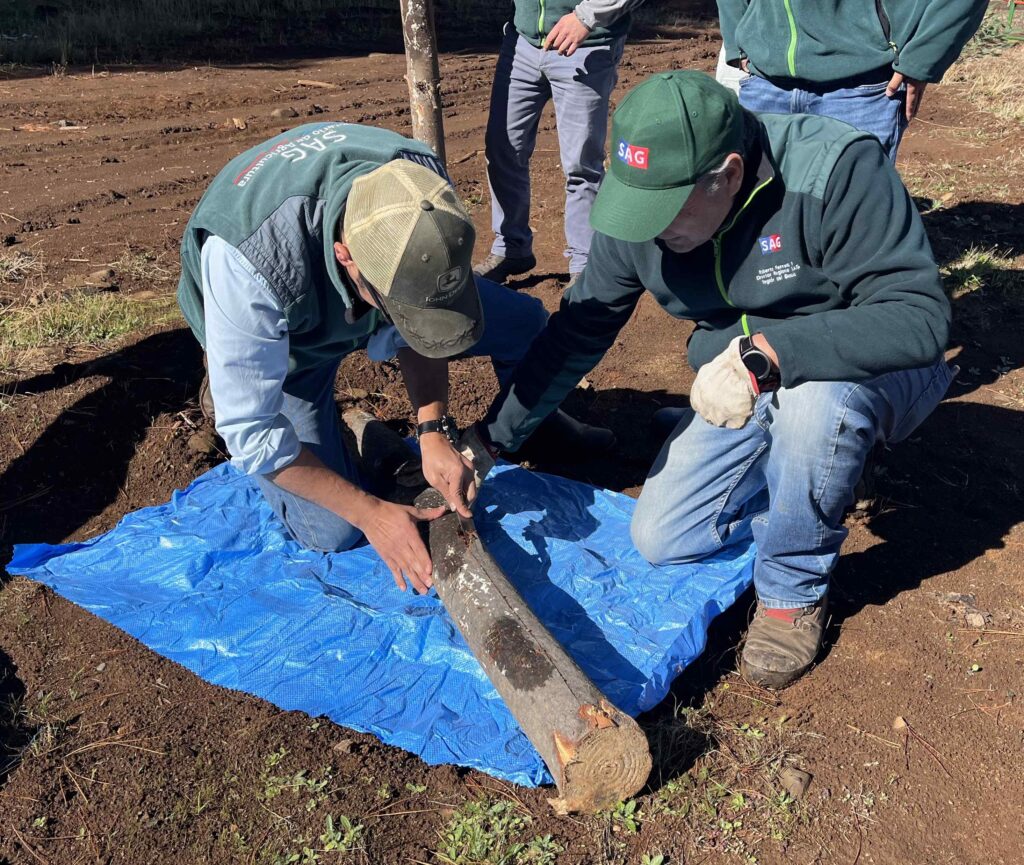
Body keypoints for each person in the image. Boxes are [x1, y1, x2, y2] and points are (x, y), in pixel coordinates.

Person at [477, 72, 954, 689]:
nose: (645, 228)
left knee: (816, 408)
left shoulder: (835, 170)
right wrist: (492, 439)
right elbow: (577, 331)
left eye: (663, 210)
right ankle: (797, 458)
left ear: (728, 175)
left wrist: (769, 352)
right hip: (748, 371)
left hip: (863, 362)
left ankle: (793, 590)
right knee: (661, 537)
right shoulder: (640, 211)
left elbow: (920, 319)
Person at [177, 122, 610, 596]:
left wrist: (432, 432)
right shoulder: (250, 261)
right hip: (290, 344)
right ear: (347, 258)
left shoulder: (419, 190)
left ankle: (537, 427)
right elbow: (253, 433)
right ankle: (320, 414)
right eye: (396, 307)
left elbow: (421, 329)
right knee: (333, 531)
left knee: (524, 325)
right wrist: (371, 513)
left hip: (360, 296)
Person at [473, 0, 643, 286]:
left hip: (586, 44)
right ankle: (511, 247)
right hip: (522, 43)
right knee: (503, 149)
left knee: (581, 165)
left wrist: (586, 17)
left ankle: (586, 264)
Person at [717, 0, 987, 161]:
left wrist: (924, 56)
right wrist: (738, 39)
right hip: (765, 82)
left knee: (856, 220)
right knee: (764, 219)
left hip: (862, 85)